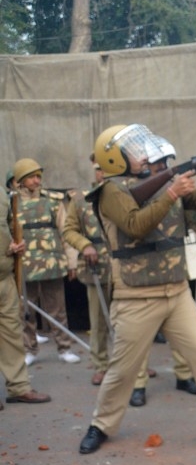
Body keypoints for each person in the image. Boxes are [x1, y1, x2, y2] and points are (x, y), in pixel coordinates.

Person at [78, 124, 196, 455]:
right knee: (122, 370)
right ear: (114, 158)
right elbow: (135, 226)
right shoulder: (111, 191)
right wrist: (171, 191)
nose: (141, 154)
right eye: (132, 149)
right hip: (135, 296)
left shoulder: (162, 184)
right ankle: (100, 424)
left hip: (176, 292)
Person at [125, 139, 196, 407]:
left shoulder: (175, 186)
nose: (164, 167)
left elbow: (190, 212)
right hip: (144, 270)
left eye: (166, 162)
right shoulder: (132, 191)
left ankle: (184, 375)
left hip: (174, 266)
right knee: (141, 335)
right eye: (159, 163)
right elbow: (135, 225)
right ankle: (137, 384)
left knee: (182, 332)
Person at [13, 157, 81, 365]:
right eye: (31, 177)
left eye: (38, 176)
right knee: (26, 311)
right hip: (24, 266)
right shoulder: (12, 203)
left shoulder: (53, 201)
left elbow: (66, 232)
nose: (36, 181)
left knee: (57, 309)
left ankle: (64, 348)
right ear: (21, 180)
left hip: (52, 262)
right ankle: (29, 349)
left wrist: (72, 262)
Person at [61, 156, 112, 385]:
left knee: (131, 320)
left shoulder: (126, 194)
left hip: (126, 267)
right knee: (99, 319)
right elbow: (69, 230)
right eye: (99, 170)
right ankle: (101, 364)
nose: (103, 174)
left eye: (107, 169)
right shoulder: (80, 200)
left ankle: (137, 365)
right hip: (96, 266)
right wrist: (85, 245)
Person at [0, 188, 51, 407]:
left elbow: (9, 224)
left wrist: (14, 245)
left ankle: (18, 386)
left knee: (12, 332)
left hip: (5, 276)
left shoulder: (1, 191)